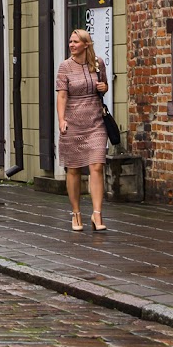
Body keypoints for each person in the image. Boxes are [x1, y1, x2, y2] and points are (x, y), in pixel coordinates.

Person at [56, 29, 110, 233]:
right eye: (70, 41)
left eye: (75, 42)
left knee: (97, 166)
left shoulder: (98, 63)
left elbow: (103, 86)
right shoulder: (64, 67)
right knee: (74, 169)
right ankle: (76, 212)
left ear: (86, 44)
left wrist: (103, 87)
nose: (71, 45)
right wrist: (61, 120)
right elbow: (62, 96)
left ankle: (97, 214)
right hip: (73, 122)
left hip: (95, 121)